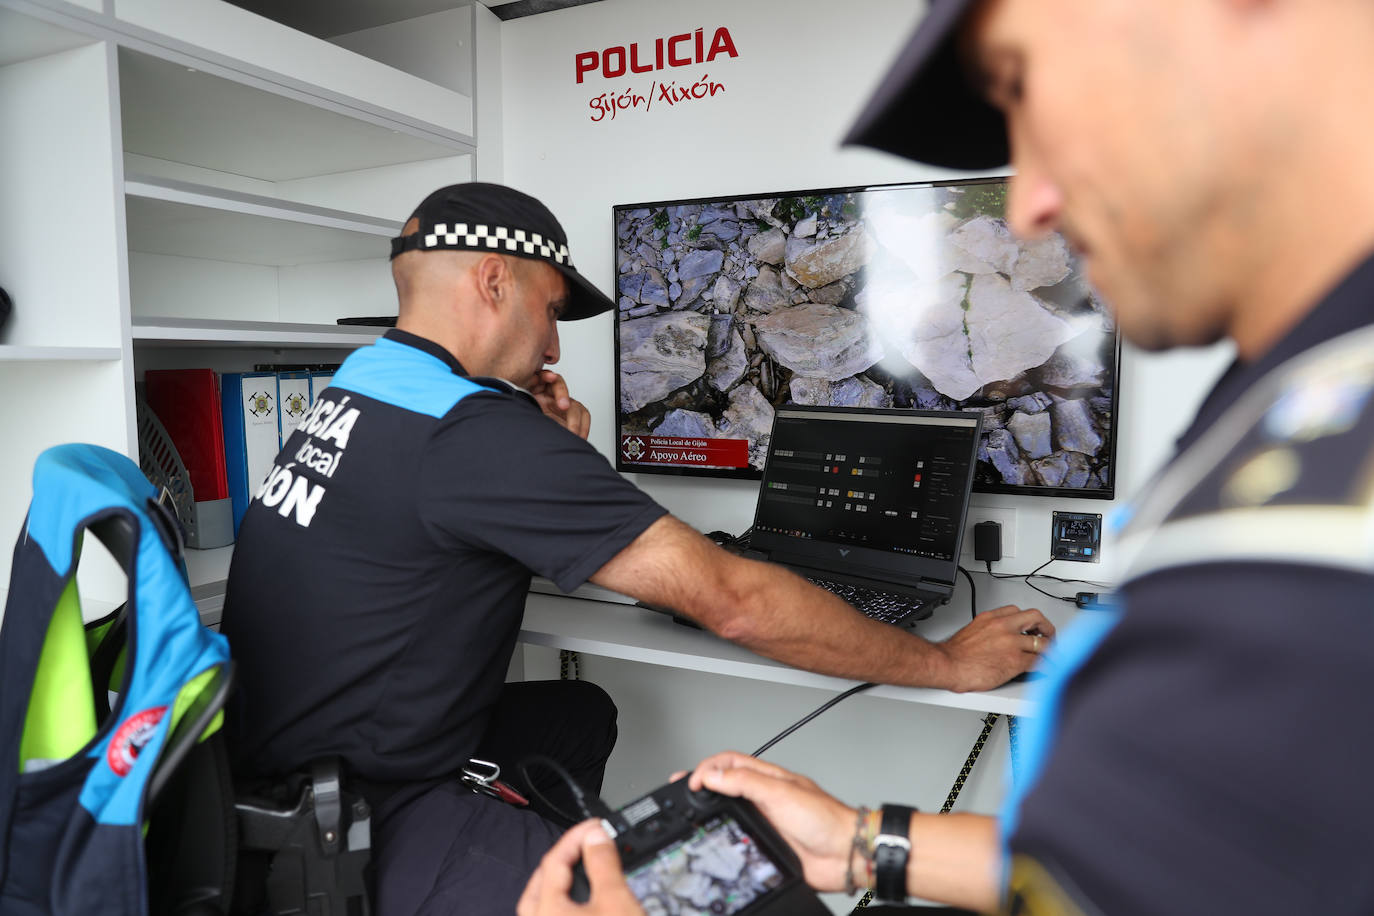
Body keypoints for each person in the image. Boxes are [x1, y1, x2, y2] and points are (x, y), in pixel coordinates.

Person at [517, 0, 1374, 913]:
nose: (1034, 202)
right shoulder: (1284, 403)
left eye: (1044, 95)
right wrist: (862, 843)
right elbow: (1165, 859)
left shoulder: (1316, 505)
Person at [219, 181, 1053, 915]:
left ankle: (534, 855)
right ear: (493, 279)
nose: (551, 349)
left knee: (579, 717)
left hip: (265, 768)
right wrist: (945, 664)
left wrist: (552, 459)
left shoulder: (360, 390)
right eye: (550, 311)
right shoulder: (477, 436)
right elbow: (733, 600)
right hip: (362, 817)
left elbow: (444, 522)